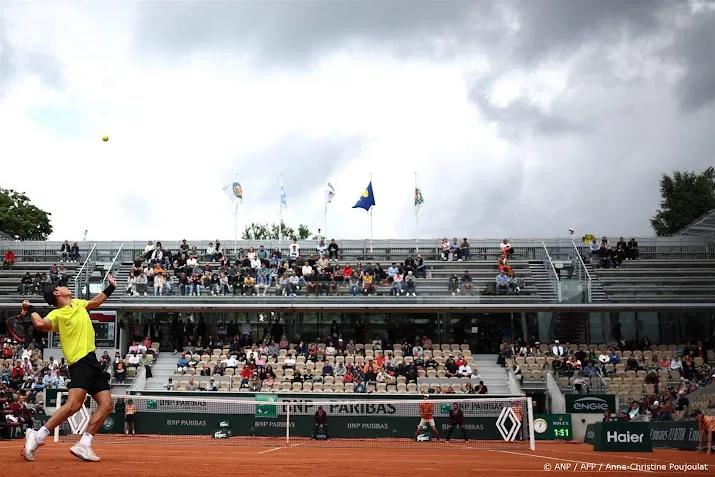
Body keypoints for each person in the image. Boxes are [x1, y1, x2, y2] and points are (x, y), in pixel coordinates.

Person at [21, 275, 118, 462]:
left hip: (92, 361)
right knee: (74, 404)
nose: (66, 287)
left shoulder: (78, 303)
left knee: (106, 404)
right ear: (57, 293)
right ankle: (38, 436)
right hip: (79, 363)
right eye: (62, 286)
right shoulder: (57, 315)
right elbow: (40, 324)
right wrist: (31, 309)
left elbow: (95, 302)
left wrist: (110, 287)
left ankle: (84, 444)